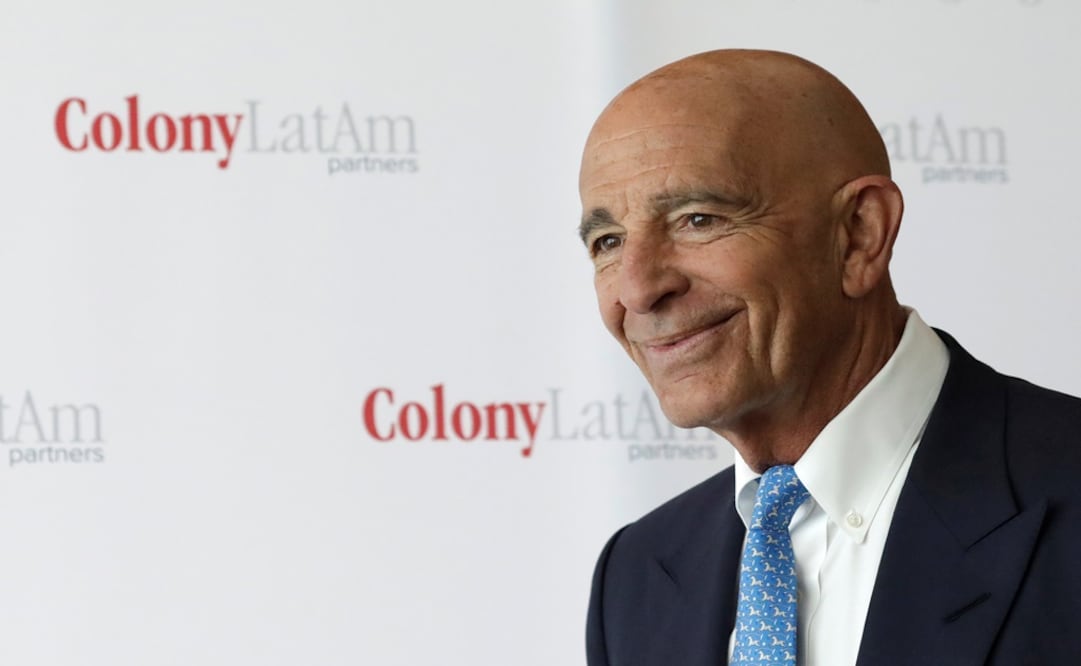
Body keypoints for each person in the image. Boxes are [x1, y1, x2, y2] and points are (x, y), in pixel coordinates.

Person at [579, 49, 1081, 666]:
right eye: (607, 242)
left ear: (859, 234)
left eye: (697, 219)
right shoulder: (637, 575)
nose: (636, 288)